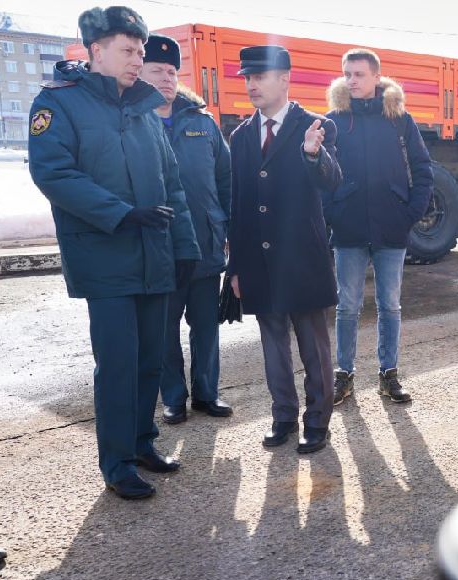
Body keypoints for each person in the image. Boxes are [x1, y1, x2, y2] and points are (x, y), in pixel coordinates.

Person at [28, 6, 200, 500]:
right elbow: (53, 173)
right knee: (119, 363)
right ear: (96, 51)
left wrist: (185, 246)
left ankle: (143, 443)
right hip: (105, 258)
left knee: (151, 361)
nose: (137, 60)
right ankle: (118, 462)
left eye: (140, 51)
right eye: (128, 50)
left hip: (154, 255)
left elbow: (172, 185)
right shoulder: (59, 103)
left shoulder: (144, 108)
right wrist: (120, 214)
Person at [227, 45, 341, 454]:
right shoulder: (241, 136)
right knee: (273, 345)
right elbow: (238, 203)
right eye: (248, 78)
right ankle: (283, 417)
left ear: (285, 79)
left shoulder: (315, 126)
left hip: (302, 258)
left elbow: (332, 181)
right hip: (258, 260)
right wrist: (235, 267)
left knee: (314, 347)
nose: (251, 85)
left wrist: (313, 153)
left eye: (260, 77)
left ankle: (318, 421)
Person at [323, 49, 433, 405]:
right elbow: (320, 174)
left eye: (358, 74)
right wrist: (332, 212)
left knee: (390, 305)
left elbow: (423, 170)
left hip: (391, 227)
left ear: (376, 77)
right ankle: (343, 375)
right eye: (347, 74)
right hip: (349, 228)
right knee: (347, 306)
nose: (351, 80)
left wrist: (409, 213)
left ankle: (389, 375)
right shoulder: (334, 120)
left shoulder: (399, 119)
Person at [139, 34, 234, 425]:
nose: (166, 78)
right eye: (157, 70)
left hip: (204, 244)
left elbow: (226, 180)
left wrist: (229, 229)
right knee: (164, 330)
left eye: (171, 71)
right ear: (139, 72)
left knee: (206, 326)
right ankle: (174, 398)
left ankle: (207, 394)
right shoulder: (133, 121)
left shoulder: (202, 122)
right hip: (160, 248)